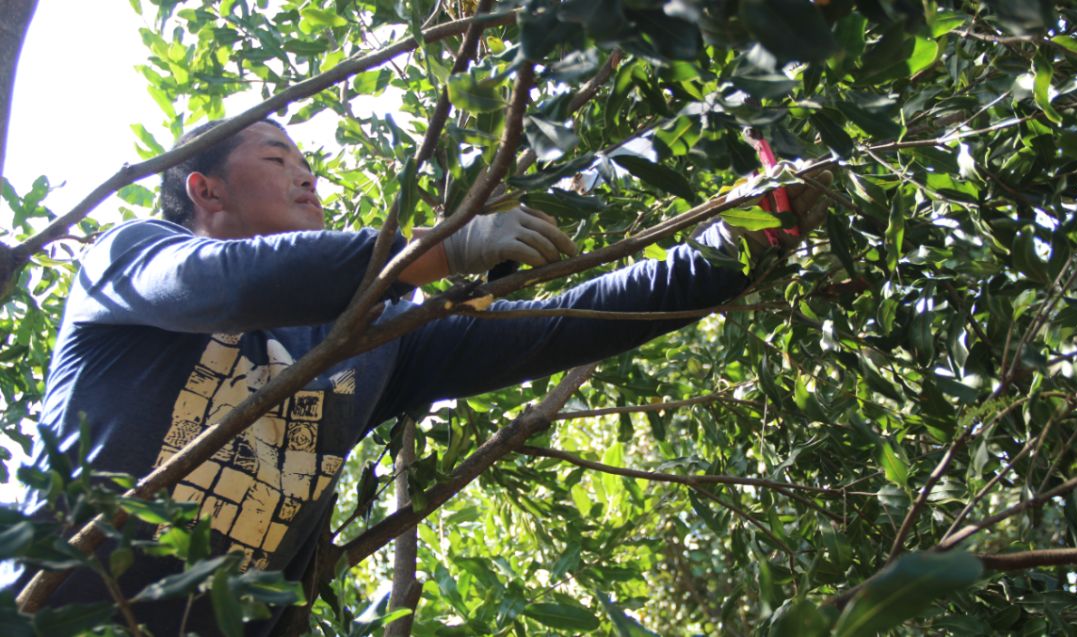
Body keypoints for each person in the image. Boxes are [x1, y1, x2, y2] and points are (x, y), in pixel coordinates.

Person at [27, 118, 829, 635]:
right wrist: (433, 252)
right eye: (279, 159)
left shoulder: (374, 344)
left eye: (309, 163)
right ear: (206, 190)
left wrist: (732, 252)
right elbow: (231, 284)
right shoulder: (129, 260)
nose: (310, 178)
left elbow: (555, 326)